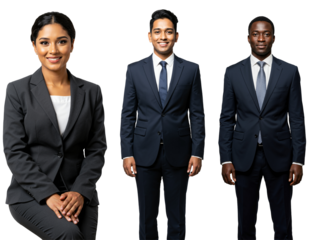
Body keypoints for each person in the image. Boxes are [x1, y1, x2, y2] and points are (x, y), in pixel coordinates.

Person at [3, 10, 107, 240]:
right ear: (34, 47)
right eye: (44, 42)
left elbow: (96, 149)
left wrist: (80, 191)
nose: (53, 50)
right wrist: (48, 194)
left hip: (79, 192)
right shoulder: (17, 89)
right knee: (68, 234)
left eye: (61, 41)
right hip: (31, 193)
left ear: (72, 45)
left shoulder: (92, 91)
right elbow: (14, 152)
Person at [120, 7, 205, 240]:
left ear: (177, 36)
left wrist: (198, 153)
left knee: (177, 219)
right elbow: (128, 114)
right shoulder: (134, 69)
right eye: (157, 32)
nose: (163, 37)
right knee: (146, 219)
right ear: (149, 36)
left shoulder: (192, 69)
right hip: (143, 153)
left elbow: (197, 114)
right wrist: (126, 153)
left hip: (179, 153)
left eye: (169, 32)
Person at [218, 14, 306, 239]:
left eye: (266, 34)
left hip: (280, 157)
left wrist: (298, 160)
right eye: (255, 34)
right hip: (242, 158)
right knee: (245, 226)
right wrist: (225, 159)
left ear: (274, 38)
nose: (261, 38)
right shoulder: (232, 72)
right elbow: (226, 118)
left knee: (283, 226)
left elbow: (297, 118)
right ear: (247, 39)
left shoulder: (290, 71)